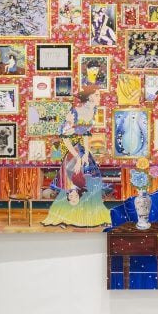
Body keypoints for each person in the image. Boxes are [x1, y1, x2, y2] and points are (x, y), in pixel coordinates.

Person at [42, 87, 111, 228]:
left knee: (93, 183)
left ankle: (90, 216)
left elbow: (85, 134)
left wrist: (85, 153)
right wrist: (78, 157)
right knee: (73, 186)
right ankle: (67, 216)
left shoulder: (93, 111)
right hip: (72, 152)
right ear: (90, 97)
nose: (99, 98)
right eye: (97, 95)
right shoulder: (74, 112)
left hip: (82, 151)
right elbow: (65, 137)